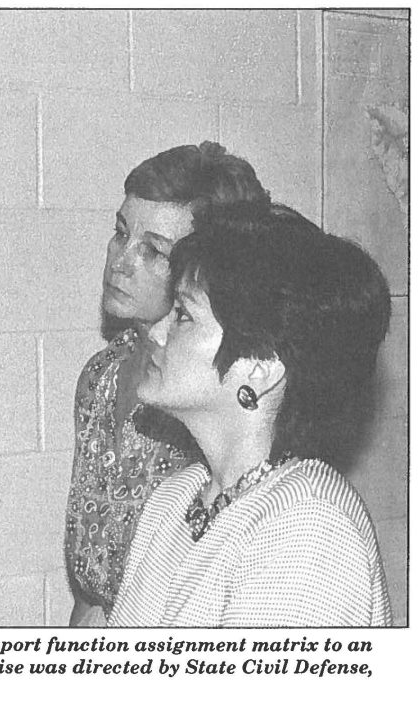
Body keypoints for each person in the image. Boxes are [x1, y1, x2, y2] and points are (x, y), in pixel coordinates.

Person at [109, 202, 392, 626]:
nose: (157, 330)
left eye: (183, 315)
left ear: (260, 369)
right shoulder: (175, 498)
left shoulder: (307, 527)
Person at [65, 143, 270, 625]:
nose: (120, 260)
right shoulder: (100, 377)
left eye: (153, 250)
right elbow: (92, 590)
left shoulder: (214, 395)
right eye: (120, 233)